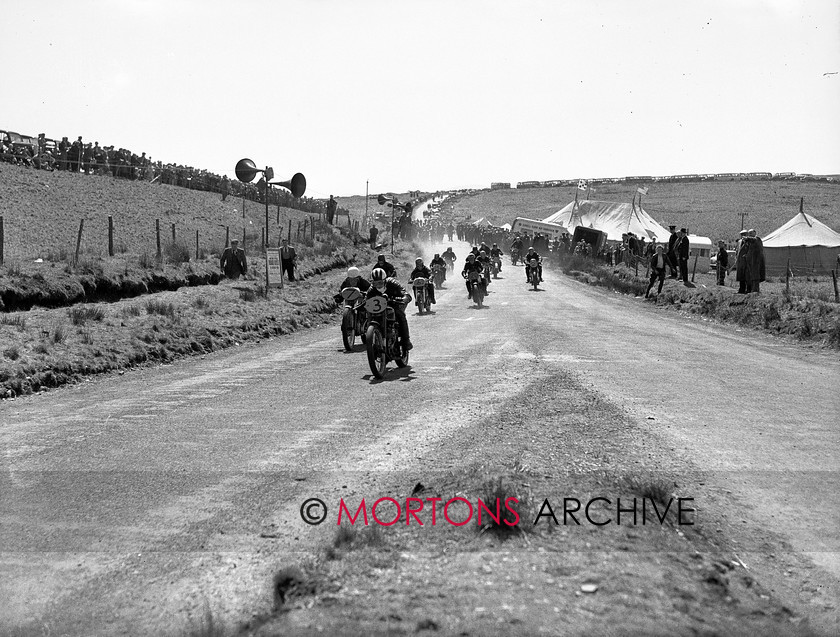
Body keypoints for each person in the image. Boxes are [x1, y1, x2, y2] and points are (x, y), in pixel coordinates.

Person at [367, 268, 412, 350]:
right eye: (375, 283)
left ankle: (406, 340)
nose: (378, 285)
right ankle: (371, 336)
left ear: (384, 280)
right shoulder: (371, 290)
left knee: (399, 314)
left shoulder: (392, 283)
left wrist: (404, 298)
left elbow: (404, 292)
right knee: (369, 313)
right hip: (379, 308)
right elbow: (367, 300)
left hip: (393, 304)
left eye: (380, 282)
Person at [745, 229, 766, 293]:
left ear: (755, 233)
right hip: (751, 262)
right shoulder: (751, 242)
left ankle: (755, 291)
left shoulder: (757, 239)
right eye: (749, 233)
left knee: (755, 276)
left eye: (751, 233)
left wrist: (747, 238)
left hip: (756, 262)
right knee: (750, 276)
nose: (750, 234)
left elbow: (753, 240)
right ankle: (751, 290)